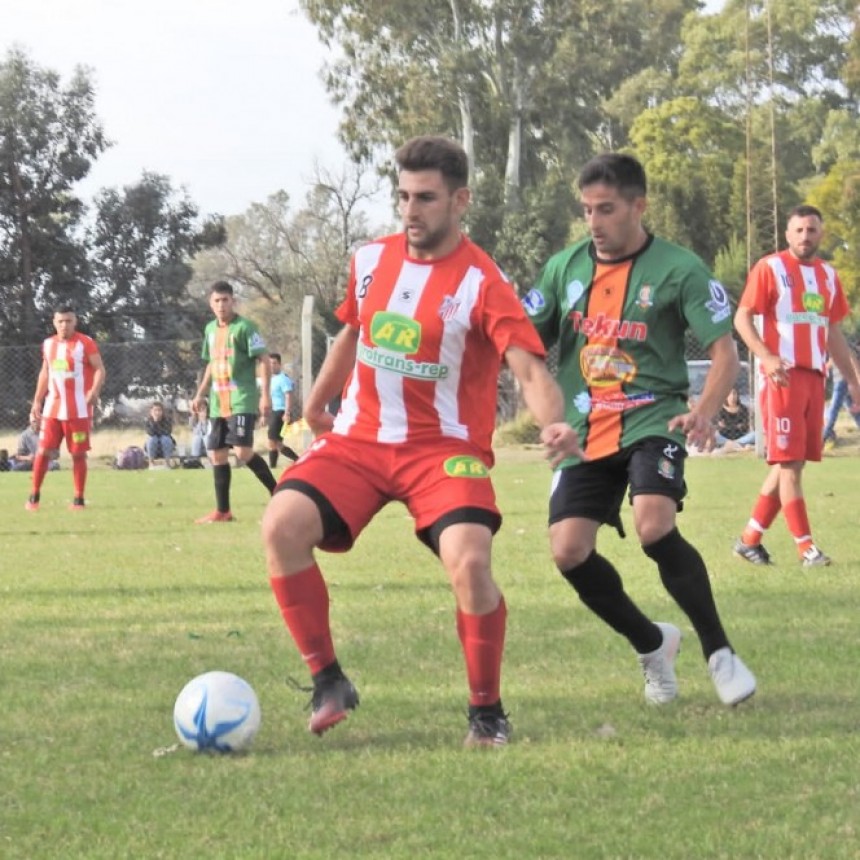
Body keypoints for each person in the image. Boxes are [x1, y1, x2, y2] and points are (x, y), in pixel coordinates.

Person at [261, 135, 581, 747]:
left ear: (460, 200)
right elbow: (352, 336)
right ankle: (328, 679)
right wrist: (315, 403)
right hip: (358, 440)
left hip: (442, 449)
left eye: (426, 198)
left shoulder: (484, 282)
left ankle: (486, 713)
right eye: (403, 196)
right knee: (280, 526)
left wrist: (553, 422)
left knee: (470, 560)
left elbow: (530, 367)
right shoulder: (370, 261)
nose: (411, 211)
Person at [522, 152, 756, 707]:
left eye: (606, 209)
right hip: (583, 428)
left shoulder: (681, 269)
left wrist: (703, 409)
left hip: (655, 417)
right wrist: (549, 419)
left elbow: (726, 354)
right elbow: (524, 346)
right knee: (568, 553)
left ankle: (720, 652)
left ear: (638, 205)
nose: (594, 223)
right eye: (587, 211)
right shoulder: (563, 268)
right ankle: (653, 645)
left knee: (654, 527)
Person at [733, 205, 860, 567]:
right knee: (789, 465)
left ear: (822, 234)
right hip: (781, 378)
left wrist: (853, 379)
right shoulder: (770, 268)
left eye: (812, 230)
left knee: (793, 464)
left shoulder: (829, 277)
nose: (806, 236)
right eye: (799, 230)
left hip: (814, 377)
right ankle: (807, 549)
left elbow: (832, 330)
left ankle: (749, 540)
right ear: (788, 235)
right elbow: (742, 318)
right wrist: (766, 357)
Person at [191, 280, 276, 523]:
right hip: (219, 402)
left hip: (242, 399)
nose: (221, 305)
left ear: (233, 301)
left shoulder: (245, 328)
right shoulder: (209, 330)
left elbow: (264, 359)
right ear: (210, 303)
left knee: (242, 451)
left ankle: (279, 494)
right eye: (216, 301)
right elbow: (210, 363)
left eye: (225, 300)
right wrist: (200, 393)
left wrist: (266, 396)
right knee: (216, 455)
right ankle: (223, 511)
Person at [26, 306, 105, 511]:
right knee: (43, 451)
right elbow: (45, 373)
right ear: (54, 322)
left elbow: (99, 368)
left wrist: (94, 391)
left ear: (75, 321)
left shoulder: (85, 343)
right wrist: (37, 401)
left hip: (79, 410)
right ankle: (34, 496)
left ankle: (78, 499)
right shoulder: (48, 344)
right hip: (53, 409)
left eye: (68, 321)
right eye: (60, 321)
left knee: (78, 454)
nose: (64, 325)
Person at [266, 352, 298, 467]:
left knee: (272, 442)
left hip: (280, 412)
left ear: (279, 364)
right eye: (270, 363)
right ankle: (298, 460)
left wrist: (287, 412)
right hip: (274, 412)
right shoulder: (272, 379)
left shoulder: (283, 378)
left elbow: (288, 395)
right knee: (278, 444)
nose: (272, 365)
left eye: (274, 363)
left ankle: (272, 467)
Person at [822, 358, 860, 448]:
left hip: (842, 380)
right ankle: (826, 435)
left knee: (833, 409)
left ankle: (824, 436)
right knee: (855, 414)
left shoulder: (844, 345)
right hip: (842, 380)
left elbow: (851, 359)